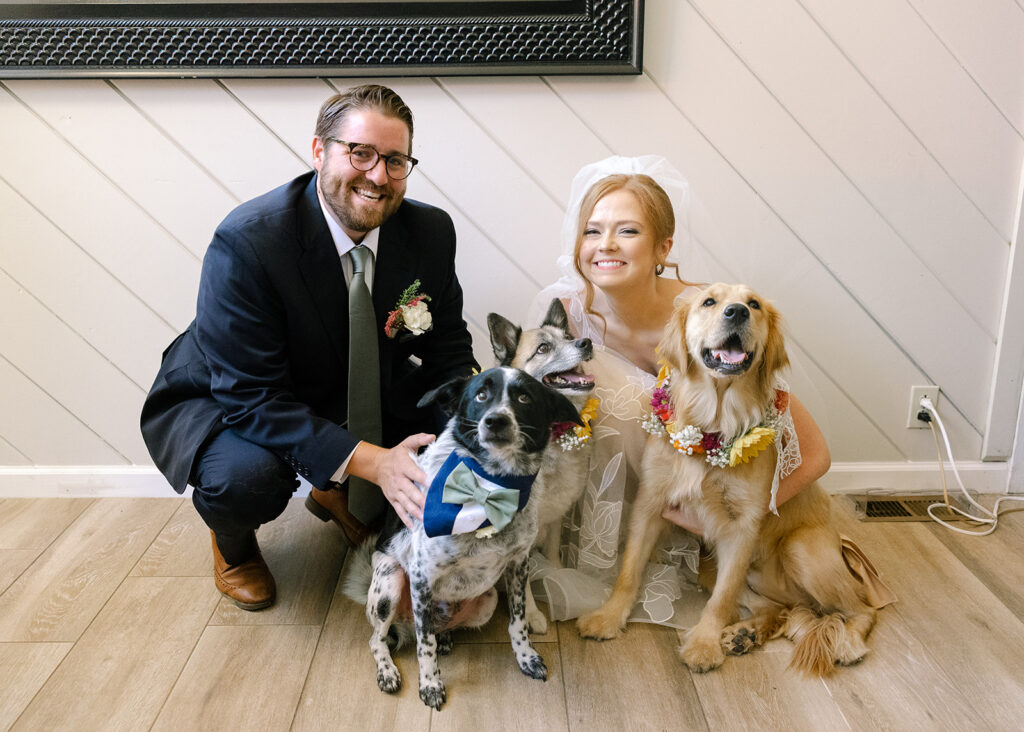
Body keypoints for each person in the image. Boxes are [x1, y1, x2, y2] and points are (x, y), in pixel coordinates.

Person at [140, 84, 478, 611]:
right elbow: (251, 397)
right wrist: (373, 460)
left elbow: (448, 347)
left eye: (395, 160)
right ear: (319, 151)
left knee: (451, 412)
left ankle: (335, 488)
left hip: (352, 379)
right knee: (246, 479)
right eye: (360, 153)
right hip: (234, 395)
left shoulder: (430, 231)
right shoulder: (248, 240)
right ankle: (232, 548)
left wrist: (469, 430)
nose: (378, 175)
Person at [527, 156, 831, 628]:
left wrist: (743, 519)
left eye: (626, 231)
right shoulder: (566, 316)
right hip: (619, 526)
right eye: (592, 231)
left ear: (663, 247)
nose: (605, 244)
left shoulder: (715, 313)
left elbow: (814, 456)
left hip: (712, 515)